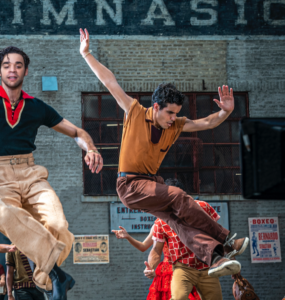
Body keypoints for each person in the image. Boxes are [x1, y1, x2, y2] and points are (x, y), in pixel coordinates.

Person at [0, 46, 104, 300]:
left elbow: (77, 132)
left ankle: (47, 279)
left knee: (58, 226)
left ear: (25, 70)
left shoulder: (36, 106)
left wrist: (90, 148)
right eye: (7, 65)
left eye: (18, 65)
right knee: (2, 214)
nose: (12, 69)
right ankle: (57, 276)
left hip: (31, 174)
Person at [78, 28, 248, 277]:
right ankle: (226, 239)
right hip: (130, 185)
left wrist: (226, 112)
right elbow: (109, 82)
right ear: (156, 107)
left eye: (177, 113)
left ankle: (215, 256)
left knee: (178, 221)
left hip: (149, 185)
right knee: (179, 196)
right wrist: (86, 54)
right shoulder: (134, 111)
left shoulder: (176, 125)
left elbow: (206, 123)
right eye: (169, 112)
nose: (173, 118)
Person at [112, 179, 200, 300]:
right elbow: (145, 247)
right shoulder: (159, 223)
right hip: (167, 273)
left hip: (189, 270)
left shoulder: (193, 219)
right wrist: (128, 237)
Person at [146, 199, 225, 300]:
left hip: (206, 266)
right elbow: (155, 249)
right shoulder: (161, 222)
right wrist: (151, 267)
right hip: (182, 267)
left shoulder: (203, 207)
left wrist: (231, 259)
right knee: (179, 297)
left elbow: (218, 234)